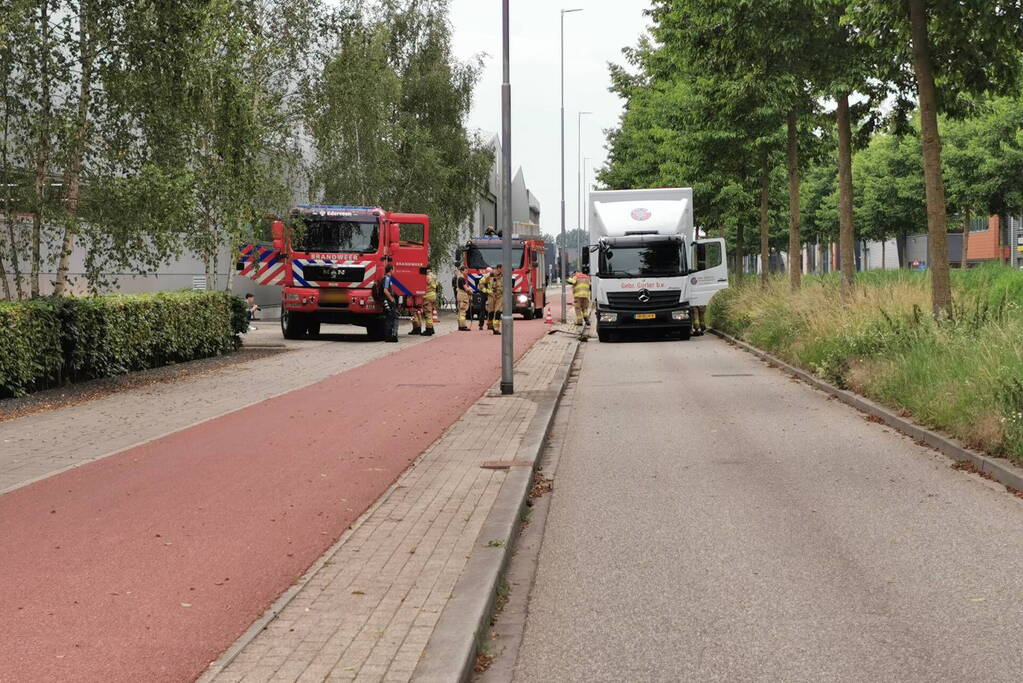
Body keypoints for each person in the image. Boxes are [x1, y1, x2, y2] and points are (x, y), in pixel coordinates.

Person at [381, 264, 399, 343]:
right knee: (391, 318)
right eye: (393, 269)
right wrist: (391, 299)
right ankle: (389, 336)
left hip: (388, 301)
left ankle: (389, 336)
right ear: (391, 270)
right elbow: (385, 290)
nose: (394, 271)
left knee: (390, 318)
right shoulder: (387, 278)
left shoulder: (387, 278)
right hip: (389, 301)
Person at [420, 267, 440, 336]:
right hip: (433, 295)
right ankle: (431, 328)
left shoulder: (426, 277)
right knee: (431, 312)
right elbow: (437, 286)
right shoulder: (434, 276)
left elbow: (422, 285)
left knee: (428, 313)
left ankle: (429, 329)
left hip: (427, 296)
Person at [487, 262, 504, 335]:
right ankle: (490, 324)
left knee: (498, 312)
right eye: (502, 268)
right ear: (498, 268)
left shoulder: (503, 276)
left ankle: (496, 328)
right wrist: (487, 291)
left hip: (499, 296)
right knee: (491, 312)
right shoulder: (489, 276)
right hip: (491, 296)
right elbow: (480, 285)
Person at [455, 265, 472, 331]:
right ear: (462, 271)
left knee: (460, 311)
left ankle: (460, 325)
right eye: (466, 270)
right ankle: (463, 326)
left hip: (459, 295)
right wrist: (470, 290)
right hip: (463, 296)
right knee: (463, 311)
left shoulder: (458, 277)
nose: (467, 272)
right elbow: (465, 288)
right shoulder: (462, 278)